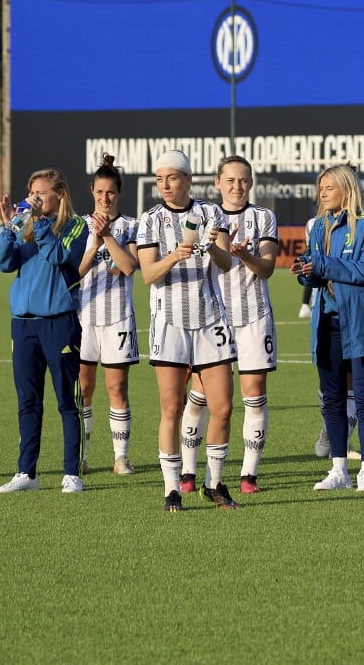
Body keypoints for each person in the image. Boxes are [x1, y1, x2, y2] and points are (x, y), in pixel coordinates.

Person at [136, 150, 237, 512]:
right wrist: (175, 256)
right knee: (171, 407)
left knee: (223, 407)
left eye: (172, 177)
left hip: (210, 318)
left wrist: (210, 246)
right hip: (169, 322)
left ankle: (214, 484)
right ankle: (172, 490)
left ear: (188, 179)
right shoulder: (149, 220)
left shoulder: (212, 213)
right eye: (160, 178)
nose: (164, 185)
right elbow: (147, 274)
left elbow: (226, 263)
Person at [0, 169, 90, 494]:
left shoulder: (77, 226)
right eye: (31, 193)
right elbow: (4, 262)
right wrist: (11, 228)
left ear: (59, 194)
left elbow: (59, 256)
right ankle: (27, 472)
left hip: (58, 323)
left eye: (41, 193)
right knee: (28, 401)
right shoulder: (26, 226)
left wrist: (39, 222)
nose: (34, 199)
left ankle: (71, 473)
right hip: (23, 325)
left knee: (67, 400)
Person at [295, 164, 364, 493]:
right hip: (327, 323)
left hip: (362, 325)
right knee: (331, 400)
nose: (322, 194)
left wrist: (321, 265)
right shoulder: (319, 226)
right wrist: (305, 270)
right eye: (320, 188)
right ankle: (338, 470)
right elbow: (316, 268)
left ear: (347, 190)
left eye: (329, 188)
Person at [204, 155, 280, 495]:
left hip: (253, 317)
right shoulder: (205, 216)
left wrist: (243, 254)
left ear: (251, 183)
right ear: (218, 183)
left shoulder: (263, 217)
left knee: (254, 395)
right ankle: (192, 473)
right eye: (231, 180)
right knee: (201, 397)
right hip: (212, 317)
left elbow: (265, 269)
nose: (237, 186)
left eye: (244, 180)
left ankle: (249, 474)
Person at [77, 155, 140, 477]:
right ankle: (82, 456)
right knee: (83, 389)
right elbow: (77, 271)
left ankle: (120, 458)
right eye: (100, 192)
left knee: (116, 388)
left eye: (111, 193)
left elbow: (129, 267)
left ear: (118, 193)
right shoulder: (78, 225)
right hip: (84, 318)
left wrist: (109, 237)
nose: (105, 198)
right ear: (91, 191)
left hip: (118, 317)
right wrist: (97, 241)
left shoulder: (131, 226)